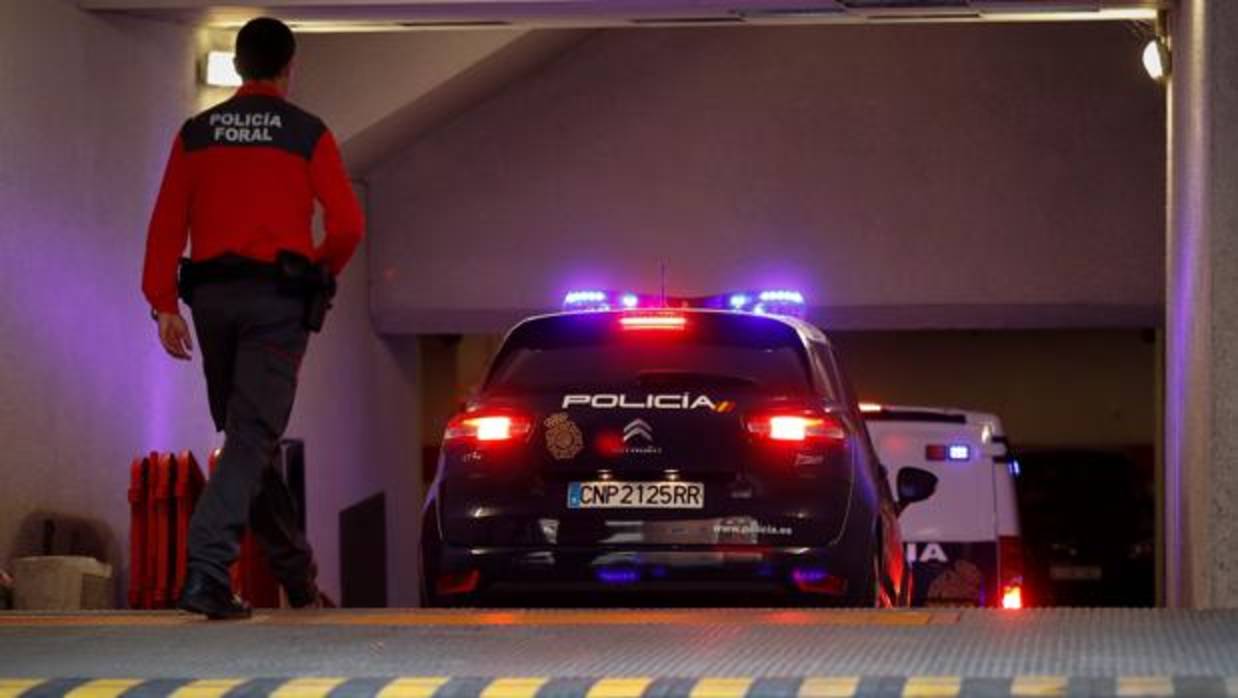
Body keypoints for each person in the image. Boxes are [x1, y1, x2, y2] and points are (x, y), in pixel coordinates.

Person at [141, 17, 364, 619]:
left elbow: (167, 220)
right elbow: (347, 226)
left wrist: (162, 302)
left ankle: (297, 581)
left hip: (210, 302)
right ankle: (207, 572)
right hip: (275, 303)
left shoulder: (197, 132)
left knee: (249, 441)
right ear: (289, 68)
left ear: (238, 67)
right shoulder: (307, 132)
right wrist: (316, 270)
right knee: (250, 438)